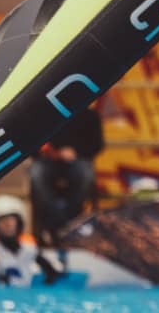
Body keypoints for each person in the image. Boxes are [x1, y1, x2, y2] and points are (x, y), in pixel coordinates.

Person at [29, 102, 103, 244]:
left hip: (79, 160)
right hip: (48, 161)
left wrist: (76, 152)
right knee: (35, 173)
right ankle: (59, 220)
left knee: (86, 173)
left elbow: (97, 145)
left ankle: (71, 218)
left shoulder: (90, 116)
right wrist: (50, 153)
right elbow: (32, 147)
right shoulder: (44, 115)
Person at [0, 194, 62, 286]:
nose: (8, 224)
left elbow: (52, 274)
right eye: (2, 221)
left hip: (24, 296)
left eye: (11, 220)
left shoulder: (29, 248)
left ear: (19, 223)